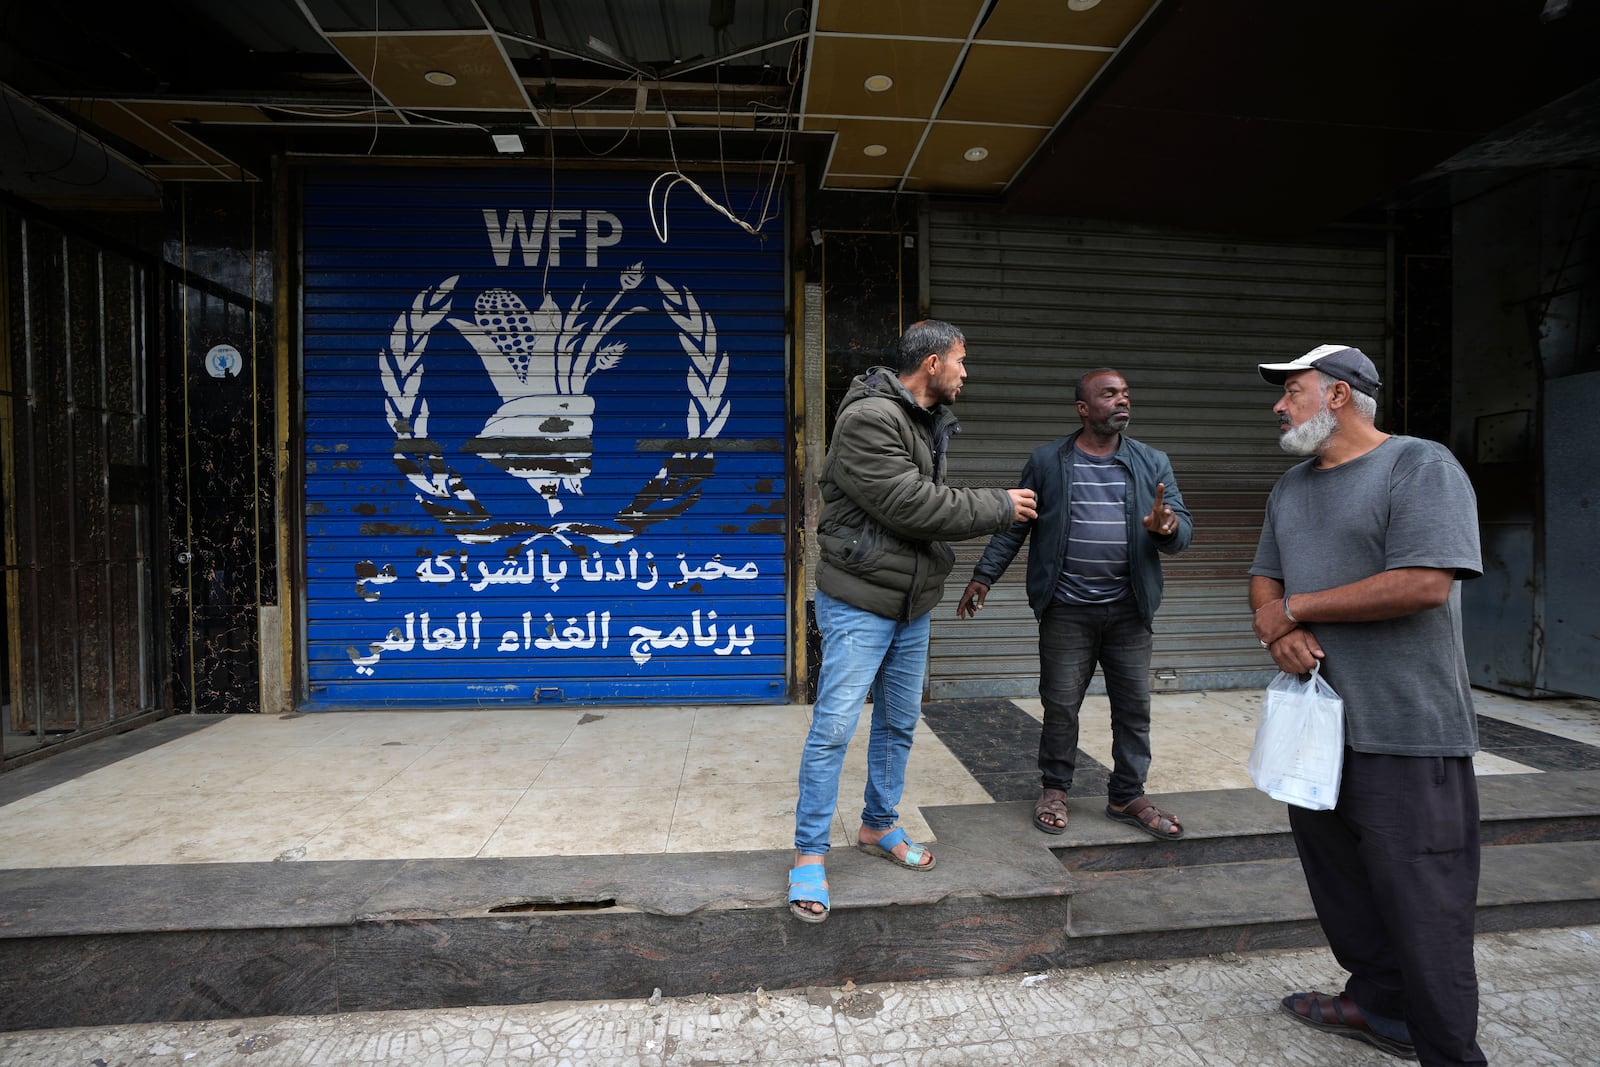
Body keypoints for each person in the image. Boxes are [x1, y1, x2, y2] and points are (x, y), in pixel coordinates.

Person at [1248, 344, 1485, 1065]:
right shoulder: (1290, 487)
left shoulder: (1420, 465)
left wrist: (1298, 609)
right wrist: (1278, 625)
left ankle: (1449, 1051)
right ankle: (1378, 1004)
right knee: (1342, 888)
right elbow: (1263, 581)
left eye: (1292, 391)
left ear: (1340, 396)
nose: (1279, 405)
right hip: (1315, 730)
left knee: (1427, 908)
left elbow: (1422, 582)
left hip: (1407, 728)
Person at [789, 319, 1038, 924]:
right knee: (834, 728)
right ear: (931, 365)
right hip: (859, 601)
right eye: (961, 360)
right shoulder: (869, 419)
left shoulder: (925, 420)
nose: (965, 372)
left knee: (899, 723)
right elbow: (910, 504)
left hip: (910, 602)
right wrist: (1001, 505)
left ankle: (878, 826)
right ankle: (808, 857)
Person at [956, 369, 1192, 840]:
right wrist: (984, 575)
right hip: (1066, 608)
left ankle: (1127, 793)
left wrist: (1167, 528)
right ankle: (1055, 789)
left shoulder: (1152, 462)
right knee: (1061, 705)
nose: (1121, 401)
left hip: (1130, 610)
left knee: (1133, 708)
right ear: (1083, 408)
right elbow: (1017, 523)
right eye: (1109, 395)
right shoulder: (1048, 462)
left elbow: (1181, 528)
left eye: (1125, 393)